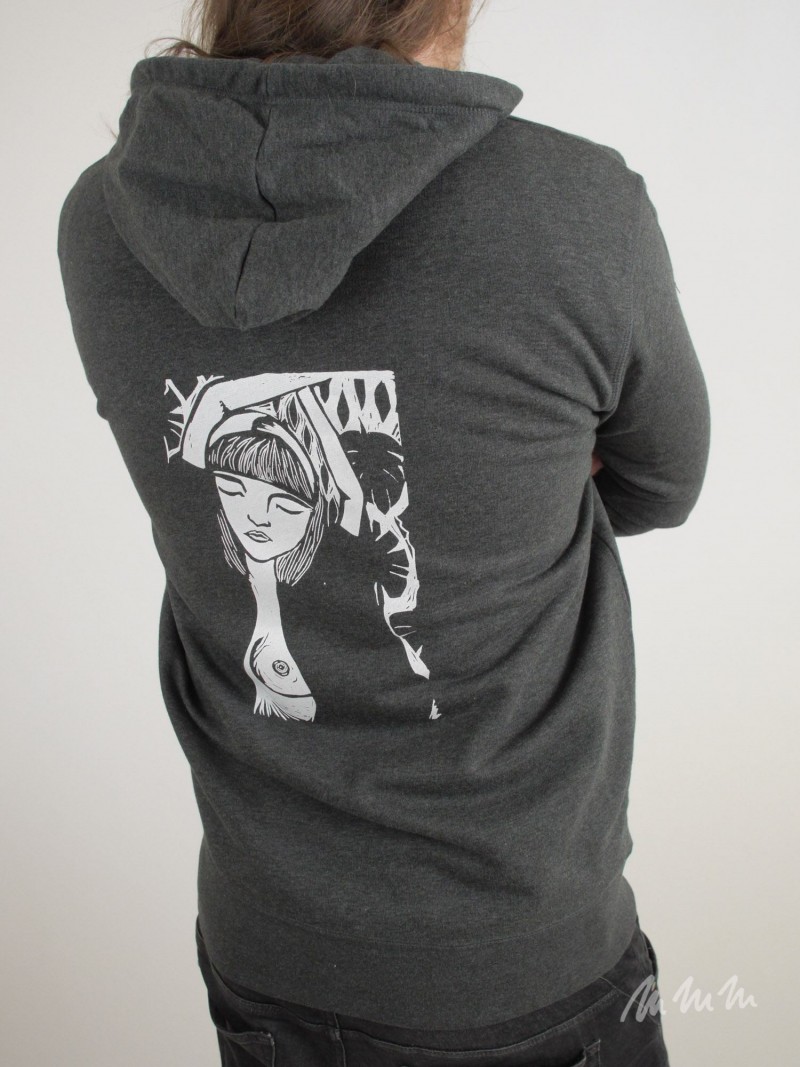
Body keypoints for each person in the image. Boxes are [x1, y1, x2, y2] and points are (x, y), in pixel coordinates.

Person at [57, 0, 711, 1063]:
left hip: (265, 952)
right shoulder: (573, 208)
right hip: (523, 960)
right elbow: (660, 479)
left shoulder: (102, 221)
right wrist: (520, 477)